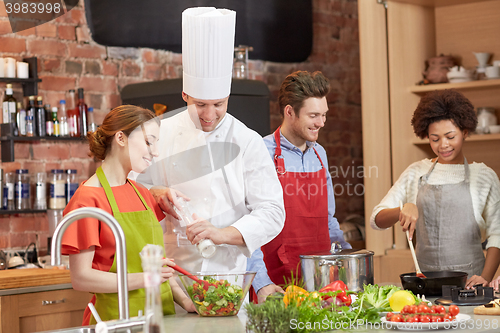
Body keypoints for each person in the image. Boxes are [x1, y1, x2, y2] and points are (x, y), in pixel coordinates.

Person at [135, 7, 285, 277]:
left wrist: (223, 233)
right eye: (200, 104)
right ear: (184, 95)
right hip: (172, 277)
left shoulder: (247, 141)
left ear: (228, 96)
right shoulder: (160, 132)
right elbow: (130, 187)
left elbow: (272, 211)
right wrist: (156, 192)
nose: (209, 115)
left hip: (228, 277)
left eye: (218, 104)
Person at [61, 105, 195, 325]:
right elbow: (81, 278)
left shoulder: (142, 194)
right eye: (149, 141)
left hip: (161, 319)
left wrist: (186, 302)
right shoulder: (87, 200)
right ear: (121, 138)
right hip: (115, 321)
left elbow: (159, 267)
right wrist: (146, 279)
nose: (156, 151)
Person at [370, 89, 500, 289]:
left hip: (470, 286)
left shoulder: (483, 176)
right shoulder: (416, 172)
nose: (443, 145)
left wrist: (485, 278)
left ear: (465, 132)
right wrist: (403, 208)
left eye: (450, 136)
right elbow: (376, 220)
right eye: (435, 138)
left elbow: (497, 234)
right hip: (424, 285)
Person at [247, 71, 352, 303]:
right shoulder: (261, 152)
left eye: (324, 115)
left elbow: (328, 219)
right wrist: (262, 283)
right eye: (314, 115)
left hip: (321, 281)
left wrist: (347, 262)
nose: (321, 123)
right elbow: (248, 227)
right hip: (277, 283)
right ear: (290, 112)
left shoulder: (319, 153)